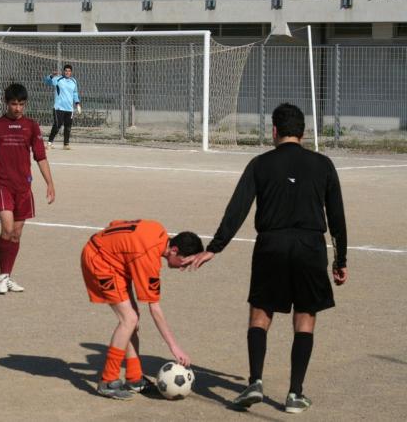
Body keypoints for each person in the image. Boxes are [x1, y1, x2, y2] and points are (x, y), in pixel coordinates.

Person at [183, 103, 348, 414]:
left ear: (274, 131)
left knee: (260, 314)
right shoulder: (323, 164)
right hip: (310, 247)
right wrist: (341, 261)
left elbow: (237, 209)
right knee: (305, 317)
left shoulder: (259, 164)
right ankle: (295, 394)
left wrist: (215, 247)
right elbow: (337, 217)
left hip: (271, 245)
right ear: (303, 133)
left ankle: (255, 382)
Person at [82, 219, 203, 399]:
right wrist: (174, 347)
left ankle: (134, 377)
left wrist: (117, 248)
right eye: (184, 263)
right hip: (99, 260)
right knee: (129, 319)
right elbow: (155, 309)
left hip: (113, 258)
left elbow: (115, 224)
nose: (182, 268)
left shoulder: (157, 230)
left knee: (133, 317)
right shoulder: (148, 257)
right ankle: (107, 381)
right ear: (174, 250)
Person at [0, 83, 55, 294]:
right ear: (6, 103)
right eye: (14, 104)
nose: (18, 108)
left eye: (21, 104)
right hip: (2, 185)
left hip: (23, 187)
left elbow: (40, 157)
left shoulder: (31, 126)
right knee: (7, 229)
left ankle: (6, 275)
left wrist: (50, 183)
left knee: (16, 234)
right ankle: (2, 278)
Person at [43, 64, 81, 150]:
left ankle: (66, 144)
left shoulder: (73, 81)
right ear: (64, 71)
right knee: (57, 125)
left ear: (71, 72)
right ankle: (49, 143)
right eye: (66, 71)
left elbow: (75, 93)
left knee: (68, 127)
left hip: (69, 109)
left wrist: (77, 103)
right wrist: (51, 76)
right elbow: (47, 82)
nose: (67, 72)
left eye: (69, 71)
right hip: (59, 108)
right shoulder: (58, 79)